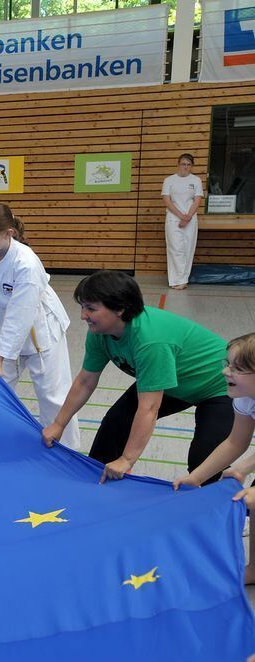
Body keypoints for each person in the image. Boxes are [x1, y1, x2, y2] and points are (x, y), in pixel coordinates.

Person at [41, 270, 232, 483]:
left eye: (91, 308)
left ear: (120, 309)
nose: (83, 315)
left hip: (221, 386)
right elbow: (85, 381)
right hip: (174, 382)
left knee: (204, 461)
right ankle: (95, 483)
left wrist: (127, 459)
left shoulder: (150, 341)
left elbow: (149, 408)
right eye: (83, 307)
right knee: (116, 424)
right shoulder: (100, 332)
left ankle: (223, 498)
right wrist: (59, 424)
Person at [0, 203, 79, 447]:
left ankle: (66, 449)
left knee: (52, 395)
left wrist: (1, 356)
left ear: (9, 233)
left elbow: (21, 313)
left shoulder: (26, 262)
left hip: (40, 326)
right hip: (6, 322)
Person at [172, 333, 255, 582]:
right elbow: (235, 442)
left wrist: (246, 470)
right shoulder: (245, 398)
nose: (225, 372)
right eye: (228, 364)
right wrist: (196, 477)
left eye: (236, 368)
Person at [161, 153, 204, 290]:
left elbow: (197, 201)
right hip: (173, 218)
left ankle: (183, 280)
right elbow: (167, 201)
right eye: (183, 164)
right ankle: (175, 279)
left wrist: (188, 217)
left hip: (190, 219)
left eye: (189, 165)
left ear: (192, 166)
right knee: (175, 249)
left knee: (188, 249)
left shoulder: (196, 180)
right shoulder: (169, 180)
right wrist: (181, 216)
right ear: (178, 164)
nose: (186, 167)